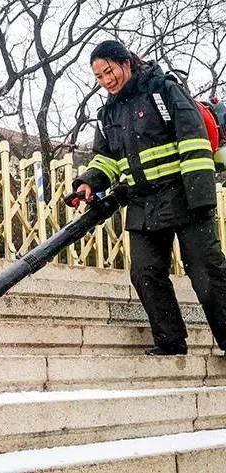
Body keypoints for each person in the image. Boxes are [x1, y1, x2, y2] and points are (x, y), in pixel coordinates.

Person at [72, 40, 226, 355]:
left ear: (125, 62)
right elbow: (106, 159)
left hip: (184, 193)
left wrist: (201, 197)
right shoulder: (107, 113)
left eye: (109, 70)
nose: (106, 80)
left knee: (206, 272)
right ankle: (170, 341)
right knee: (144, 272)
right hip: (143, 201)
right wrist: (88, 183)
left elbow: (193, 139)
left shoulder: (163, 89)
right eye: (99, 77)